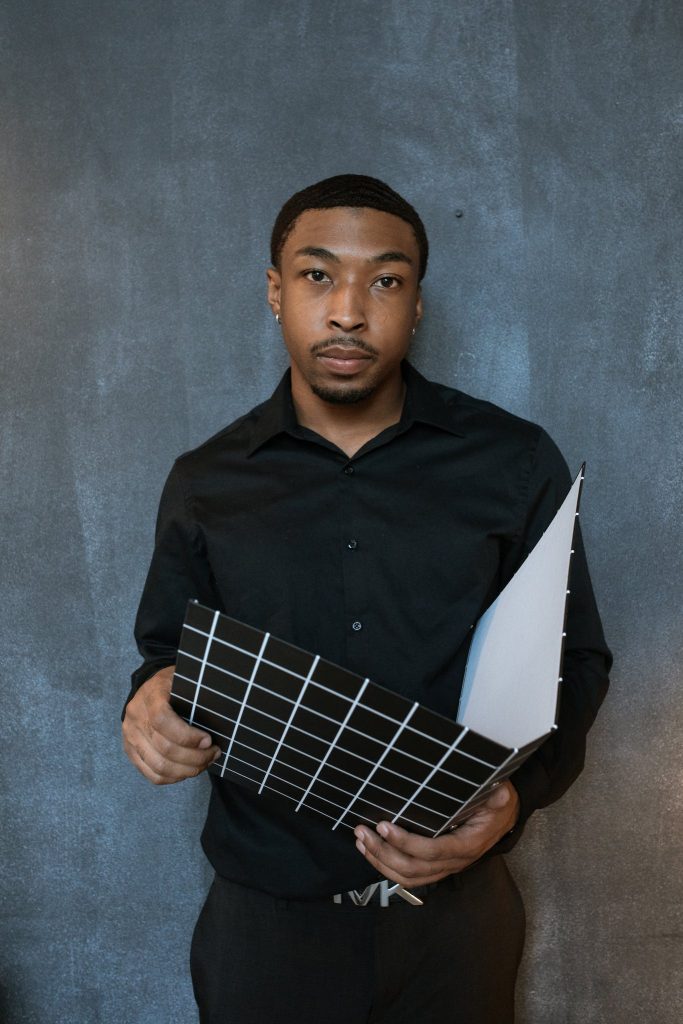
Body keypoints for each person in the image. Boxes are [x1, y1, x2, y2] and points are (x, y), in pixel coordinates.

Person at [122, 174, 611, 1024]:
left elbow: (577, 660)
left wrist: (512, 805)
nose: (349, 310)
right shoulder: (205, 482)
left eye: (385, 280)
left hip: (457, 928)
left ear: (416, 305)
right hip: (263, 930)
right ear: (275, 292)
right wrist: (149, 704)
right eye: (317, 276)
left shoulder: (513, 462)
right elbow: (165, 656)